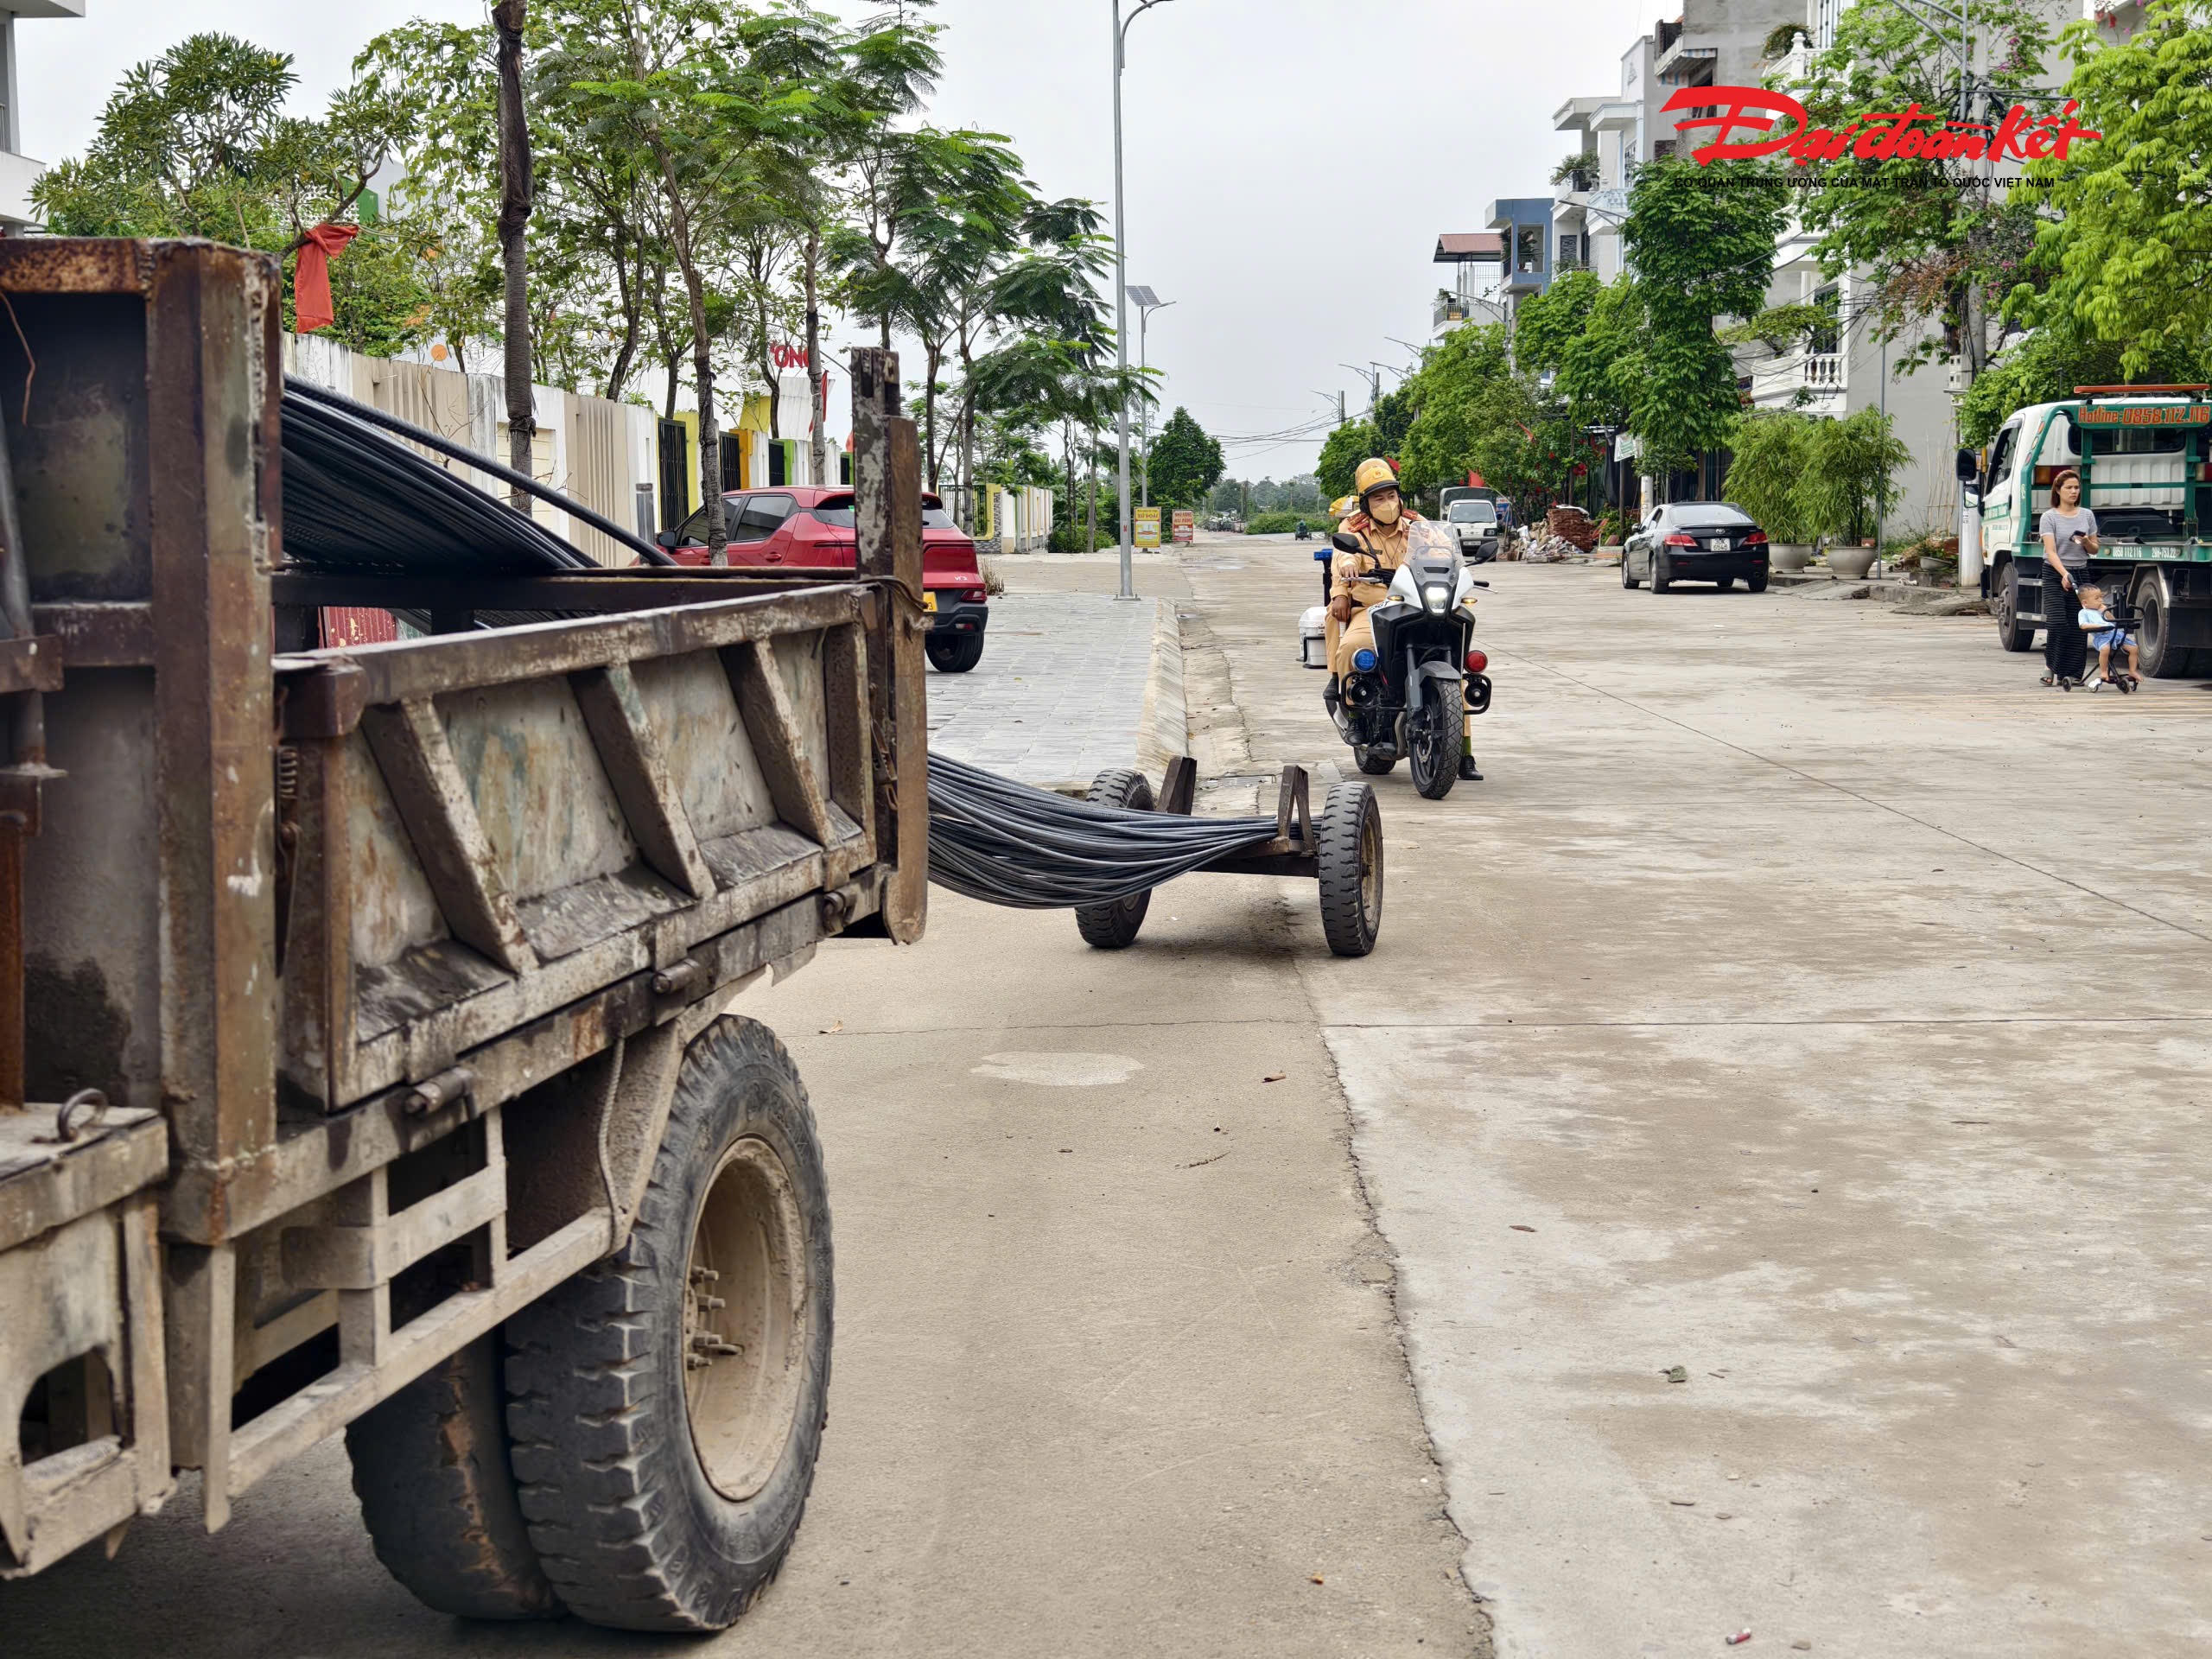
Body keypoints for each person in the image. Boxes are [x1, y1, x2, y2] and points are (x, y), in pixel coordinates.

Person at [1329, 458, 1482, 781]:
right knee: (1352, 649)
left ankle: (1464, 750)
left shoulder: (1419, 524)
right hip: (1374, 609)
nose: (1386, 504)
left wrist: (1458, 565)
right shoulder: (1352, 528)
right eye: (1377, 498)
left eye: (1391, 496)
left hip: (1419, 606)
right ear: (1366, 503)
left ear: (1400, 497)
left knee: (1458, 663)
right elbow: (1343, 556)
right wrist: (1346, 570)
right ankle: (1356, 714)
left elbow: (1444, 551)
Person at [2038, 469, 2098, 687]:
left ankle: (2073, 673)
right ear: (2058, 490)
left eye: (2076, 487)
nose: (2074, 491)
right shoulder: (2049, 517)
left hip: (2081, 572)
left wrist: (2085, 543)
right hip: (2055, 572)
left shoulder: (2087, 515)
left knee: (2078, 624)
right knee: (2057, 622)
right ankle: (2051, 666)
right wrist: (2064, 574)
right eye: (2069, 488)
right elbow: (2051, 551)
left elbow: (2095, 549)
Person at [2077, 584, 2139, 687]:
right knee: (2105, 649)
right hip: (2102, 636)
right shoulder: (2084, 612)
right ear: (2085, 603)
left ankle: (2132, 671)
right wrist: (2099, 626)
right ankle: (2103, 672)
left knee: (2134, 648)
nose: (2101, 600)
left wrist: (2106, 612)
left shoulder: (2102, 610)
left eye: (2101, 597)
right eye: (2097, 598)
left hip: (2115, 634)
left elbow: (2113, 621)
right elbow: (2083, 625)